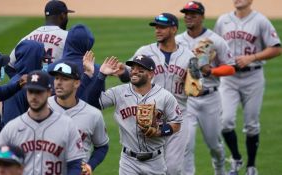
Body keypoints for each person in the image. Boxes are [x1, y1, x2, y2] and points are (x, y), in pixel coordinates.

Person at [118, 13, 195, 174]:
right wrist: (121, 72)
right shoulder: (145, 52)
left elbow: (196, 89)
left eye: (162, 27)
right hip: (149, 117)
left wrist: (196, 81)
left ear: (174, 29)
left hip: (178, 117)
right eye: (156, 27)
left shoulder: (189, 56)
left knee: (173, 169)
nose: (157, 30)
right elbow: (129, 75)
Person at [214, 0, 281, 174]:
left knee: (251, 125)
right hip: (229, 78)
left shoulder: (260, 20)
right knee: (225, 122)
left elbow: (276, 48)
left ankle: (251, 166)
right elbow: (214, 47)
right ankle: (236, 159)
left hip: (253, 77)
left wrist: (252, 58)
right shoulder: (223, 20)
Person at [87, 55, 182, 175]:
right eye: (132, 69)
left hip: (155, 162)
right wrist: (101, 75)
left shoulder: (165, 96)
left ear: (151, 74)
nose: (134, 72)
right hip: (129, 162)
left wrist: (159, 132)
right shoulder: (118, 92)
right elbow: (92, 103)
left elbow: (176, 124)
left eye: (140, 69)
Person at [0, 70, 85, 175]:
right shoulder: (12, 127)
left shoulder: (67, 125)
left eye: (39, 92)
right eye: (30, 91)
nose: (34, 96)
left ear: (49, 92)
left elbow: (75, 164)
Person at [175, 1, 236, 175]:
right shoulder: (177, 41)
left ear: (202, 17)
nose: (188, 17)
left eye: (193, 14)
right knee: (186, 144)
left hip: (210, 99)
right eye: (186, 14)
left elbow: (231, 67)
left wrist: (211, 71)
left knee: (214, 145)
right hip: (186, 100)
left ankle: (219, 169)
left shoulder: (215, 40)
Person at [48, 61, 109, 174]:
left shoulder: (93, 114)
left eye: (65, 79)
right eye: (56, 78)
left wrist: (90, 165)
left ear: (76, 83)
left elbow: (102, 146)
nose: (58, 83)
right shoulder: (42, 108)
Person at [6, 0, 74, 77]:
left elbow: (9, 66)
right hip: (55, 86)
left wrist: (21, 84)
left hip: (32, 87)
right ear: (63, 15)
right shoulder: (69, 37)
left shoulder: (27, 38)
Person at [2, 40, 48, 126]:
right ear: (34, 59)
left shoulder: (35, 81)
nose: (44, 63)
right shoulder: (17, 86)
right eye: (42, 59)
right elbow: (11, 124)